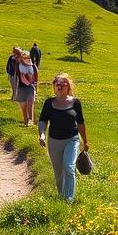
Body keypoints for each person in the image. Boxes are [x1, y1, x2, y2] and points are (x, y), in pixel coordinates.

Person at [38, 73, 89, 203]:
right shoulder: (49, 103)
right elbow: (43, 120)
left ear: (68, 86)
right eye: (57, 84)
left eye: (62, 84)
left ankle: (69, 199)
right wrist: (42, 135)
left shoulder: (75, 102)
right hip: (54, 141)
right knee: (58, 171)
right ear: (54, 87)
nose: (59, 86)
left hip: (72, 139)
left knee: (69, 166)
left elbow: (81, 123)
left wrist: (85, 142)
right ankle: (62, 196)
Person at [15, 47, 38, 125]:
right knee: (23, 106)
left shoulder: (33, 67)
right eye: (24, 57)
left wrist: (36, 87)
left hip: (30, 87)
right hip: (20, 88)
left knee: (30, 104)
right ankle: (26, 120)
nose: (26, 59)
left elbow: (36, 77)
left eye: (28, 57)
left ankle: (31, 121)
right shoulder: (18, 66)